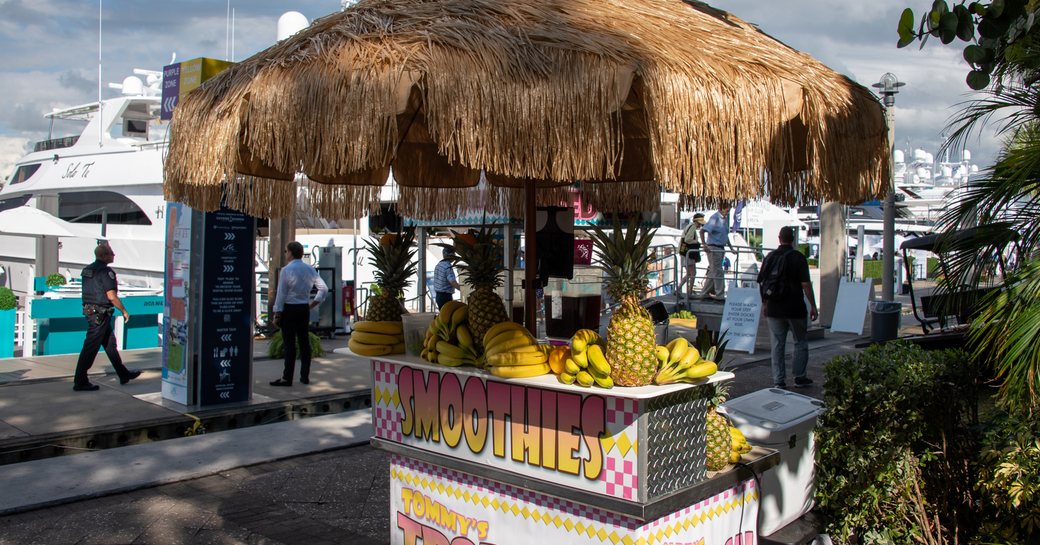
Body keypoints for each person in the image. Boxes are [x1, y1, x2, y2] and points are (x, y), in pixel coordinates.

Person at [72, 243, 140, 391]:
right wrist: (124, 310)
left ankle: (123, 374)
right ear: (104, 256)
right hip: (100, 314)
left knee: (110, 344)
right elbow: (111, 296)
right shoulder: (106, 272)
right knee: (90, 348)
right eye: (111, 253)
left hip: (92, 312)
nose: (113, 255)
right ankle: (80, 381)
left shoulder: (87, 270)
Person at [758, 226, 819, 389]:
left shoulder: (769, 257)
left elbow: (762, 283)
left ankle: (779, 380)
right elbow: (806, 285)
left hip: (773, 307)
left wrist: (765, 304)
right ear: (793, 239)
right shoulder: (798, 257)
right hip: (795, 307)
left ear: (779, 238)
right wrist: (813, 306)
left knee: (777, 344)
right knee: (800, 341)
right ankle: (799, 377)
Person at [270, 241, 328, 387]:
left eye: (286, 251)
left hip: (290, 309)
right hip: (303, 308)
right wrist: (313, 303)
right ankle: (304, 376)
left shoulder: (286, 270)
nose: (285, 254)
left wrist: (277, 313)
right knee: (304, 343)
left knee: (290, 344)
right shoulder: (310, 269)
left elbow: (281, 293)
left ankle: (287, 377)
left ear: (290, 253)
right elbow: (323, 288)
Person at [697, 202, 732, 300]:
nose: (727, 213)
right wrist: (704, 244)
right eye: (726, 210)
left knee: (713, 271)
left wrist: (731, 247)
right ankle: (719, 294)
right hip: (714, 247)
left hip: (720, 248)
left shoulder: (724, 220)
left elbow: (725, 235)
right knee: (718, 271)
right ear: (721, 209)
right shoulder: (715, 218)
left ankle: (704, 292)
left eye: (728, 211)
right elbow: (702, 230)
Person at [679, 213, 706, 295]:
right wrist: (697, 242)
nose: (700, 226)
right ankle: (689, 292)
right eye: (700, 224)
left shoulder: (689, 226)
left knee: (689, 273)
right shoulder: (692, 227)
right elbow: (688, 239)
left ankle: (679, 289)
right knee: (693, 273)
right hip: (688, 253)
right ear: (696, 222)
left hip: (683, 252)